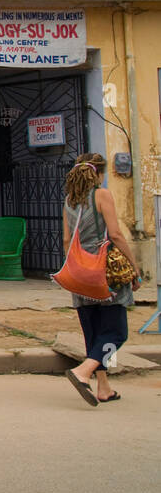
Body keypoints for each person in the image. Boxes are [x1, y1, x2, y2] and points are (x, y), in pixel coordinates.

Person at [61, 153, 138, 406]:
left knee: (93, 331)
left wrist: (75, 267)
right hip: (105, 270)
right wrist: (134, 267)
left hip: (80, 271)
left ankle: (103, 387)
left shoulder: (69, 201)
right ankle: (82, 372)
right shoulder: (102, 195)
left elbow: (65, 240)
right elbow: (115, 234)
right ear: (100, 174)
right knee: (116, 332)